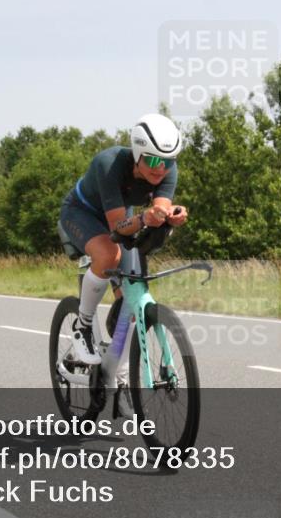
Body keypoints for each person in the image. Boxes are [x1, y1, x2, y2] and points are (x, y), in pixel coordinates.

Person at [59, 113, 188, 364]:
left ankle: (116, 377)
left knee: (131, 301)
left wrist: (168, 216)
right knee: (109, 255)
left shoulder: (166, 171)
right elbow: (117, 227)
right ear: (138, 154)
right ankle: (82, 325)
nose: (160, 168)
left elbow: (159, 208)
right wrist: (144, 219)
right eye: (152, 160)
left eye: (168, 161)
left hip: (122, 214)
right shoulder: (109, 163)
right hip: (82, 212)